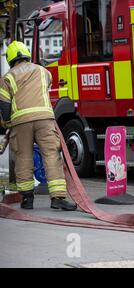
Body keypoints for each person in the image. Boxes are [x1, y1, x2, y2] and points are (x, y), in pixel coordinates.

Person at [0, 41, 77, 211]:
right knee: (51, 155)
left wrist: (7, 122)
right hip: (45, 119)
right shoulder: (43, 71)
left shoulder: (8, 77)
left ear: (11, 59)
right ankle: (58, 198)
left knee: (23, 158)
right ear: (26, 54)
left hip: (20, 123)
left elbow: (4, 105)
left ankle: (27, 199)